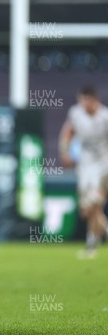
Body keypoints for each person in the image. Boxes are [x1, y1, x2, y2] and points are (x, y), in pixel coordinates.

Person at [59, 86, 108, 259]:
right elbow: (68, 132)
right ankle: (94, 242)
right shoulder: (76, 114)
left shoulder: (105, 117)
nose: (83, 104)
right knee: (87, 210)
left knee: (94, 203)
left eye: (86, 100)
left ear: (94, 100)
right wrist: (64, 152)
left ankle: (91, 245)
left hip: (103, 165)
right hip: (85, 166)